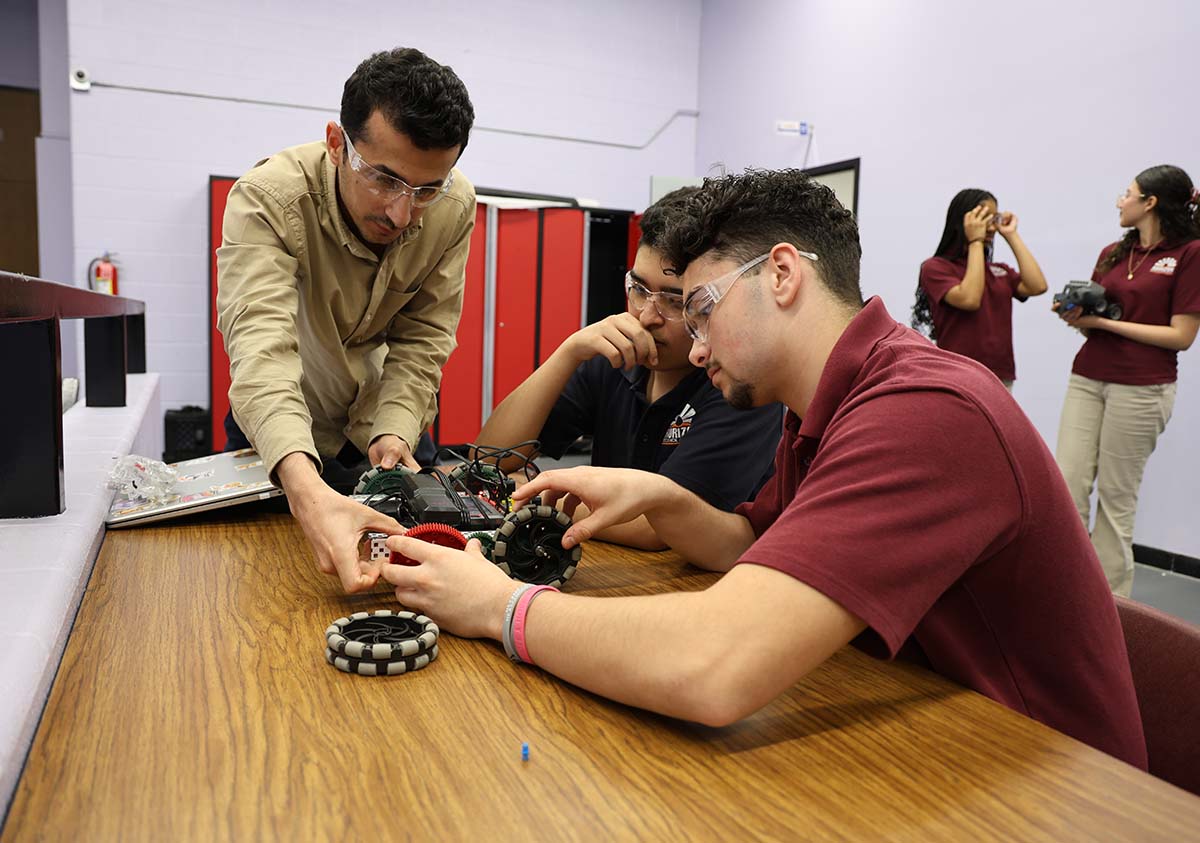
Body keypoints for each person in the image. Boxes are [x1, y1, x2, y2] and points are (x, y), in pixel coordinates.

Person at [379, 169, 1147, 769]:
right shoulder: (818, 398)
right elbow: (753, 544)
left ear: (781, 275)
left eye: (702, 306)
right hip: (926, 728)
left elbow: (715, 665)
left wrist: (499, 605)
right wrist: (660, 494)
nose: (696, 343)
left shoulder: (927, 407)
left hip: (1047, 781)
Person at [216, 47, 476, 593]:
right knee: (259, 589)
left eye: (426, 189)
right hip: (283, 434)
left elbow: (425, 335)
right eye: (384, 179)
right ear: (337, 144)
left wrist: (397, 428)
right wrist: (305, 489)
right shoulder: (267, 199)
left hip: (381, 427)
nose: (401, 214)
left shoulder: (454, 207)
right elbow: (260, 350)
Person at [474, 187, 782, 549]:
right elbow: (490, 459)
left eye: (673, 299)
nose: (646, 316)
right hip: (607, 567)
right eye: (638, 289)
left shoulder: (738, 387)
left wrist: (522, 496)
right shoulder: (615, 361)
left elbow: (657, 530)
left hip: (691, 590)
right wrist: (568, 353)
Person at [1053, 164, 1200, 596]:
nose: (1121, 200)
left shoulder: (1190, 254)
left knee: (1116, 502)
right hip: (1088, 377)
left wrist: (1109, 325)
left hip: (1142, 387)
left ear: (1150, 203)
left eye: (1128, 193)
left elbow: (1182, 336)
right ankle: (1065, 594)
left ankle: (1112, 609)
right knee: (1067, 488)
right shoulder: (1113, 253)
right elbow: (1092, 324)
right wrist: (1079, 319)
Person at [911, 189, 1048, 388]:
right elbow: (970, 299)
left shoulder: (998, 270)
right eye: (984, 218)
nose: (991, 227)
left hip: (1000, 375)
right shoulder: (935, 268)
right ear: (964, 220)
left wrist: (1011, 235)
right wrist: (975, 240)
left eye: (994, 218)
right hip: (957, 374)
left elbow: (1037, 286)